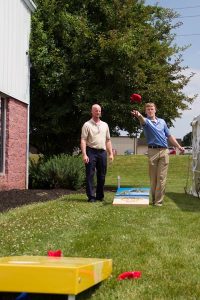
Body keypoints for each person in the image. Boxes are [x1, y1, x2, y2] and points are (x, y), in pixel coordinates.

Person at [131, 102, 184, 206]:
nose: (150, 111)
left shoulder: (162, 122)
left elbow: (169, 136)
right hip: (152, 152)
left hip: (164, 151)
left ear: (155, 110)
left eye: (152, 109)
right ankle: (154, 199)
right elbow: (142, 119)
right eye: (148, 109)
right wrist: (139, 115)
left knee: (161, 178)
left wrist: (178, 146)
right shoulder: (145, 122)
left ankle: (158, 202)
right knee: (153, 178)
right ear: (146, 112)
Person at [81, 104, 114, 202]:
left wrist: (111, 153)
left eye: (99, 111)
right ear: (91, 112)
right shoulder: (87, 125)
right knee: (90, 174)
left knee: (102, 175)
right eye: (95, 110)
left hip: (102, 152)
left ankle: (100, 196)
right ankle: (91, 197)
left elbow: (108, 140)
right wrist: (84, 154)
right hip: (91, 151)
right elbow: (83, 140)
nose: (98, 112)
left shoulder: (105, 125)